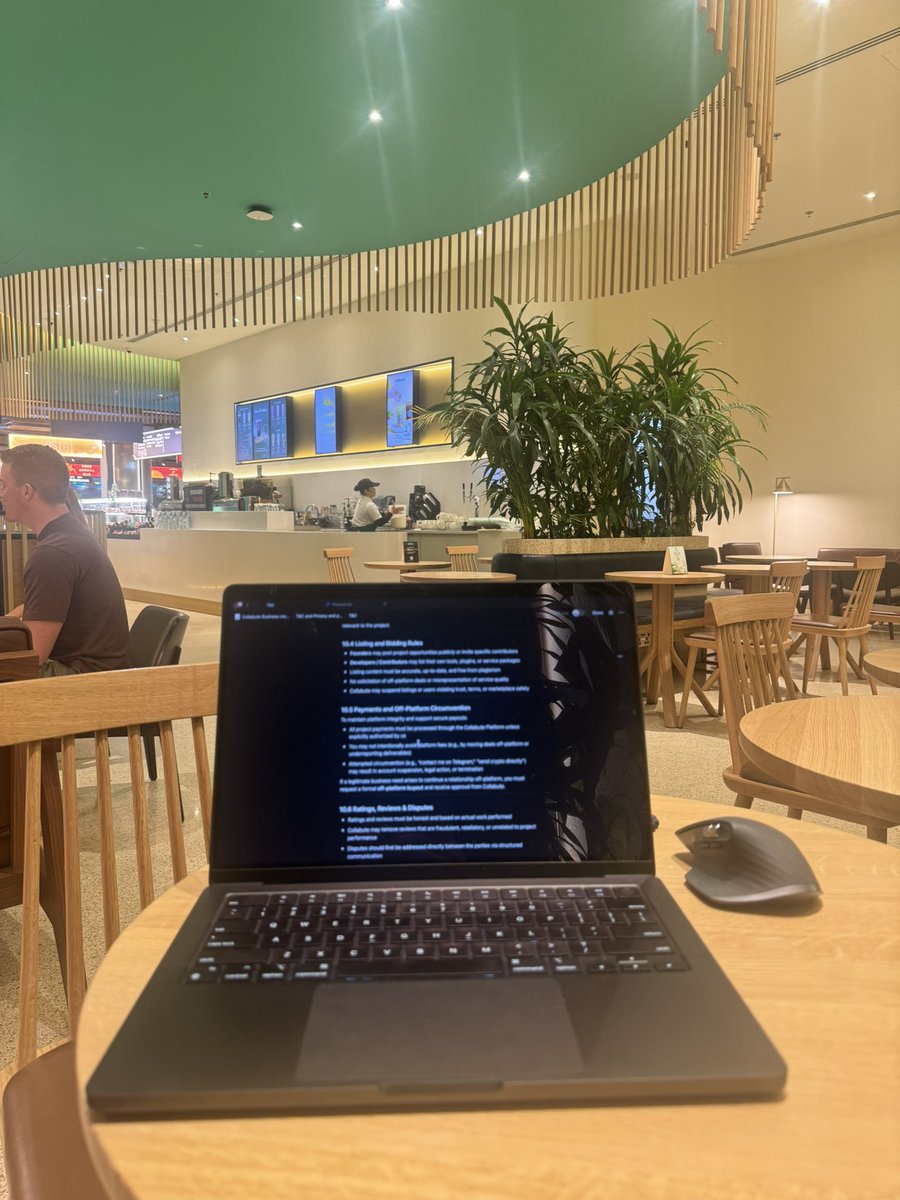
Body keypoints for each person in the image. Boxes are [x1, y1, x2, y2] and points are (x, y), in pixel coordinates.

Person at [0, 444, 129, 676]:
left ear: (27, 491)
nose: (1, 494)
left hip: (85, 679)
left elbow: (33, 655)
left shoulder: (52, 553)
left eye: (3, 485)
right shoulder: (72, 536)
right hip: (103, 670)